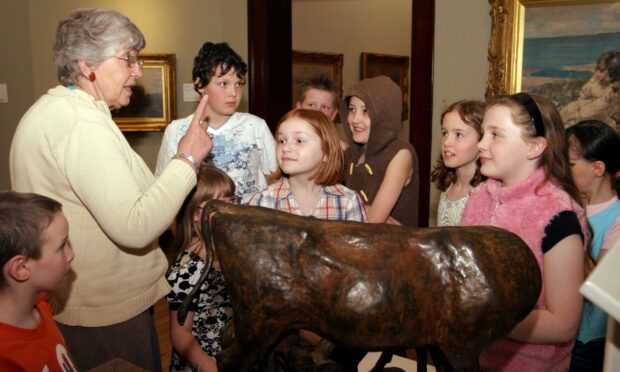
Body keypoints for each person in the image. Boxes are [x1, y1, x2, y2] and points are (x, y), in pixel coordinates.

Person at [9, 9, 212, 371]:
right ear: (87, 65)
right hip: (104, 314)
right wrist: (188, 160)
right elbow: (135, 226)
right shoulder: (80, 124)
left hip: (87, 305)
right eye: (127, 58)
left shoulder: (64, 111)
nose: (137, 70)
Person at [461, 92, 589, 371]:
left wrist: (483, 318)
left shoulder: (559, 217)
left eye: (496, 134)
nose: (481, 144)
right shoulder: (479, 197)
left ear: (534, 147)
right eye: (483, 133)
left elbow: (563, 324)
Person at [245, 108, 367, 370]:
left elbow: (358, 268)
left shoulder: (346, 201)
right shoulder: (262, 203)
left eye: (299, 140)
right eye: (281, 140)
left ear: (326, 152)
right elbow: (258, 277)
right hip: (279, 328)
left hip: (337, 318)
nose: (286, 147)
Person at [155, 42, 278, 197]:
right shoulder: (176, 130)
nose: (233, 93)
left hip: (249, 219)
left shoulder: (256, 126)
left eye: (239, 84)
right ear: (200, 84)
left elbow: (274, 180)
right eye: (224, 84)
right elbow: (165, 190)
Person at [166, 165, 237, 372]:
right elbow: (181, 334)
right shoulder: (187, 269)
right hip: (202, 362)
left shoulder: (231, 252)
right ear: (194, 213)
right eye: (215, 205)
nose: (228, 211)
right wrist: (207, 366)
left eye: (231, 201)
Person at [0, 191, 77, 371]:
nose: (71, 255)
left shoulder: (41, 305)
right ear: (21, 268)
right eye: (61, 247)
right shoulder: (5, 354)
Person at [566, 120, 620, 372]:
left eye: (572, 164)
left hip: (589, 338)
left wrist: (574, 228)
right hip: (564, 331)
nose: (565, 170)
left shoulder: (616, 217)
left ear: (598, 168)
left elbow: (596, 282)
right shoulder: (571, 204)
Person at [341, 76, 420, 227]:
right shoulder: (349, 154)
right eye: (352, 109)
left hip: (394, 248)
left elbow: (372, 221)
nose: (355, 119)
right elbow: (323, 204)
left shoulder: (400, 154)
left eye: (365, 111)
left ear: (384, 115)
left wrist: (344, 209)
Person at [431, 100, 485, 226]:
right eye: (445, 133)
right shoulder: (448, 184)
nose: (446, 142)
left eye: (459, 135)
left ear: (482, 140)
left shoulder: (486, 195)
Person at [562, 50, 620, 128]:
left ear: (614, 74)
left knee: (572, 124)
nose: (597, 74)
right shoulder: (598, 78)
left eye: (602, 71)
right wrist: (577, 106)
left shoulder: (614, 89)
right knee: (571, 108)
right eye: (597, 69)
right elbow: (585, 92)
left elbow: (599, 107)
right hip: (592, 110)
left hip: (608, 119)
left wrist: (575, 115)